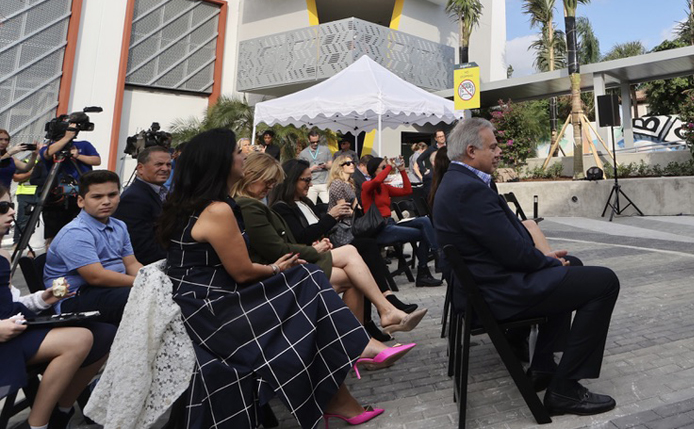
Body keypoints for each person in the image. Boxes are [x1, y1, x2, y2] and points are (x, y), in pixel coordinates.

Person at [158, 128, 384, 428]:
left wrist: (281, 267)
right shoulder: (218, 210)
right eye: (238, 153)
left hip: (204, 302)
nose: (244, 156)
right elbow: (242, 272)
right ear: (221, 162)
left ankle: (352, 363)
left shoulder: (195, 205)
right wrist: (278, 269)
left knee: (305, 283)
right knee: (305, 277)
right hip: (213, 312)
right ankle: (358, 347)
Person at [434, 117, 620, 416]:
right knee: (605, 282)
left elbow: (506, 243)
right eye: (492, 147)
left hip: (490, 284)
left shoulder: (460, 182)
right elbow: (513, 254)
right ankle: (565, 389)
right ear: (471, 150)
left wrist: (548, 260)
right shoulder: (467, 189)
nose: (498, 152)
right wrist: (546, 260)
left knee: (573, 265)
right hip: (499, 292)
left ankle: (544, 367)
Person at [234, 154, 425, 342]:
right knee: (359, 254)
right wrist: (325, 228)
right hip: (287, 269)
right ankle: (375, 322)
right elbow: (284, 245)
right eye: (306, 180)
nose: (270, 186)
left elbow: (294, 239)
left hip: (301, 258)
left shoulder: (301, 202)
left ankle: (367, 331)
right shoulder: (267, 206)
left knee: (361, 258)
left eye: (272, 182)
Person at [0, 182, 114, 429]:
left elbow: (10, 301)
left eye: (10, 205)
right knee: (80, 338)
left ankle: (61, 409)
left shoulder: (4, 254)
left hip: (16, 324)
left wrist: (45, 298)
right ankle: (40, 424)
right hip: (4, 335)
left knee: (105, 332)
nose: (11, 212)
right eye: (3, 207)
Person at [44, 170, 141, 325]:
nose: (106, 201)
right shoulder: (75, 232)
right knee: (143, 297)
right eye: (97, 196)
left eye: (112, 195)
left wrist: (151, 278)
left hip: (110, 290)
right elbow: (96, 277)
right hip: (75, 298)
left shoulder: (119, 226)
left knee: (163, 291)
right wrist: (142, 282)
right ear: (81, 201)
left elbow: (131, 263)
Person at [362, 156, 442, 287]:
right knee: (425, 233)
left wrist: (402, 170)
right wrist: (389, 166)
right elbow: (376, 182)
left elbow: (407, 190)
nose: (386, 169)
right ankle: (427, 268)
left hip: (390, 223)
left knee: (425, 221)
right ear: (374, 170)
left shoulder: (384, 187)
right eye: (382, 167)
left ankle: (435, 255)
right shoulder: (367, 186)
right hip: (380, 228)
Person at [36, 124, 101, 240]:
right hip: (57, 198)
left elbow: (97, 160)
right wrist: (66, 138)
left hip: (80, 194)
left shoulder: (83, 145)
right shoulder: (52, 147)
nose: (71, 131)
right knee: (54, 236)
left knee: (81, 233)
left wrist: (78, 156)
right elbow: (47, 154)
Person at [115, 146, 172, 265]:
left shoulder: (163, 192)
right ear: (140, 168)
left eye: (168, 164)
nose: (165, 169)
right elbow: (141, 247)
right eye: (159, 164)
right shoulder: (134, 198)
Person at [298, 128, 333, 203]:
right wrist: (311, 169)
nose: (315, 144)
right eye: (313, 142)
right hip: (311, 184)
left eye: (317, 141)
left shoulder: (325, 150)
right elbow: (300, 170)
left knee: (328, 205)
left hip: (324, 183)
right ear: (308, 140)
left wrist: (325, 165)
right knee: (311, 206)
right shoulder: (303, 153)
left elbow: (331, 164)